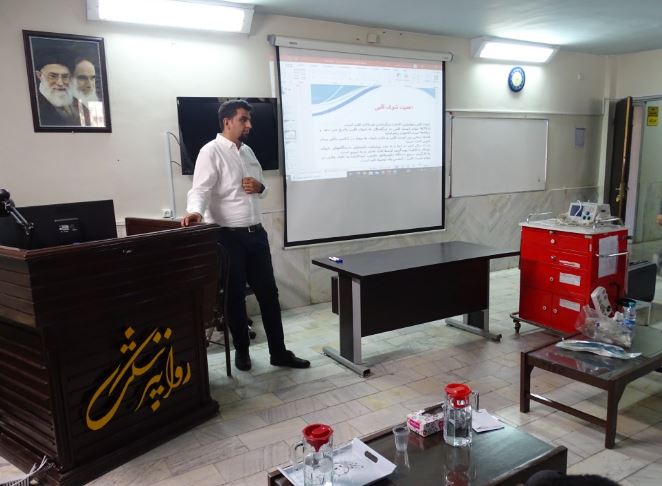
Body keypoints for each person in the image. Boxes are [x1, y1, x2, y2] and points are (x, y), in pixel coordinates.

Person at [182, 99, 310, 372]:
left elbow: (261, 189)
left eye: (249, 120)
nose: (249, 125)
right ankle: (242, 351)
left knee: (269, 295)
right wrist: (194, 212)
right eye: (243, 119)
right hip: (228, 238)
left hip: (256, 235)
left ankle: (279, 352)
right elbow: (200, 189)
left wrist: (260, 187)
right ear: (227, 121)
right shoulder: (211, 151)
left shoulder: (248, 151)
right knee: (234, 297)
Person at [33, 51, 90, 127]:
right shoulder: (36, 106)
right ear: (39, 75)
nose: (60, 83)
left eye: (65, 77)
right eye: (53, 76)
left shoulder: (78, 105)